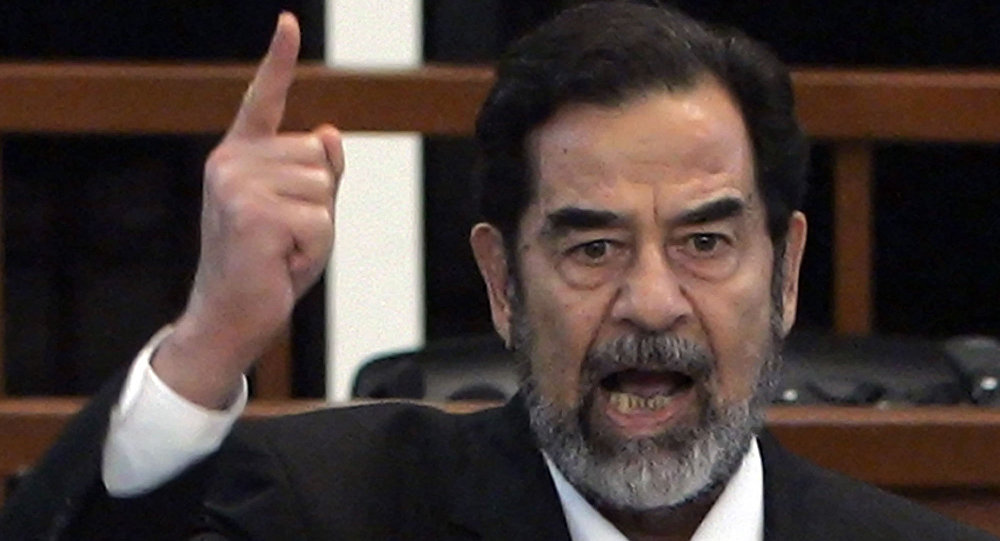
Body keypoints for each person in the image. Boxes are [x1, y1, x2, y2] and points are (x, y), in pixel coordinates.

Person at [0, 2, 995, 540]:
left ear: (785, 274)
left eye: (704, 243)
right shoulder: (331, 512)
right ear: (503, 283)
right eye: (592, 247)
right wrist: (211, 340)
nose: (652, 302)